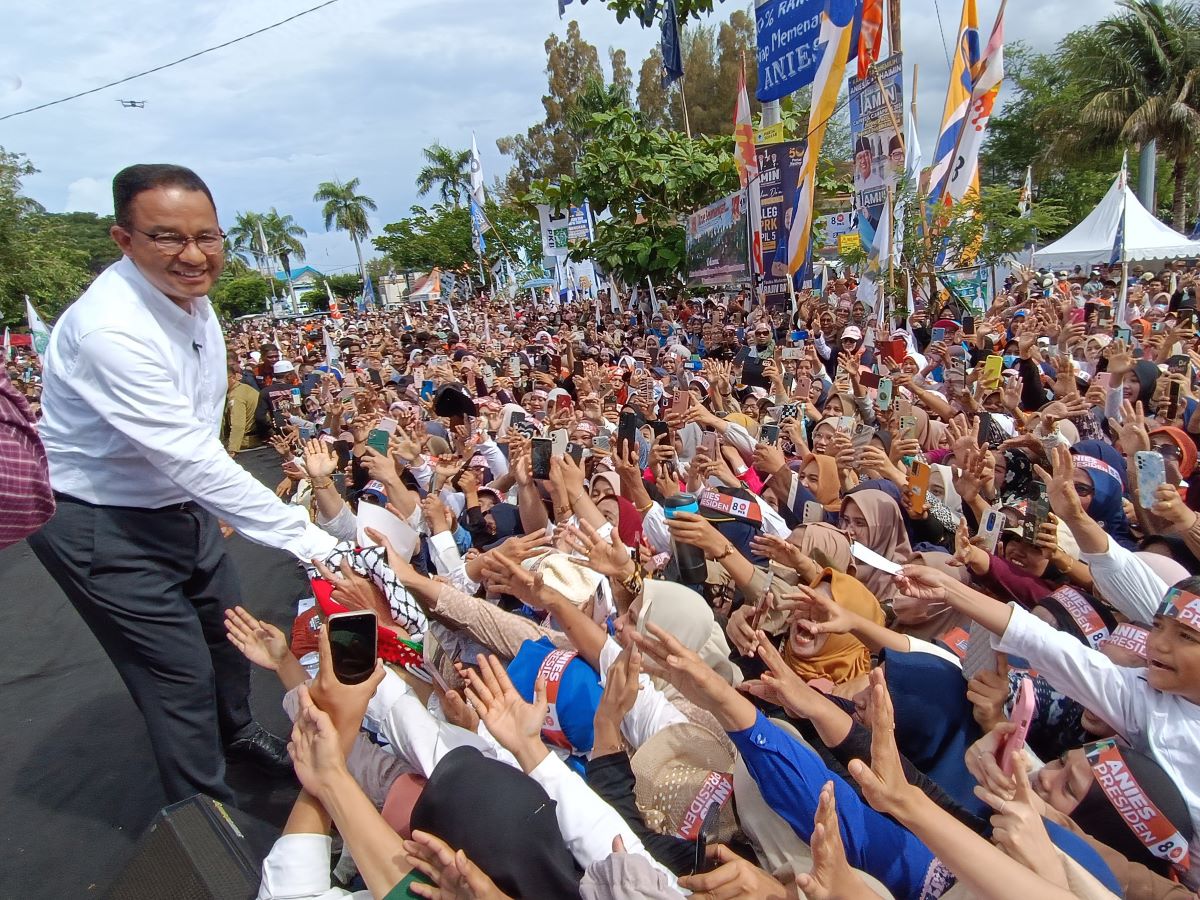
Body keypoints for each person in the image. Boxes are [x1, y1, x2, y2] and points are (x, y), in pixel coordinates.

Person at [27, 164, 337, 805]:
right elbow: (189, 453)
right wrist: (316, 542)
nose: (194, 256)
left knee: (229, 635)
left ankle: (240, 736)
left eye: (208, 236)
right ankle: (205, 808)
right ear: (124, 239)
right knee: (177, 672)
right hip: (99, 518)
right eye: (168, 237)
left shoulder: (193, 301)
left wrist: (204, 503)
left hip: (172, 501)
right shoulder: (110, 328)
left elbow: (197, 424)